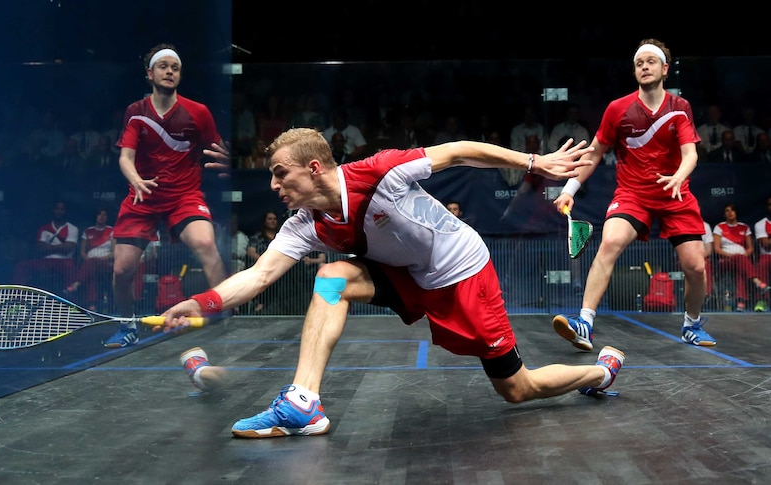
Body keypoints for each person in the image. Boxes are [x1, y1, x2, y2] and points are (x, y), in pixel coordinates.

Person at [160, 127, 625, 440]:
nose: (275, 186)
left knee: (516, 389)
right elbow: (259, 275)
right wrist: (199, 302)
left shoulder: (381, 171)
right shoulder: (304, 224)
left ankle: (601, 370)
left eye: (281, 174)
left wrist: (533, 162)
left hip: (463, 272)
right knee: (331, 277)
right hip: (407, 274)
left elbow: (458, 151)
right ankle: (304, 402)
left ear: (314, 168)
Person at [551, 39, 715, 349]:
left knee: (695, 265)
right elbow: (595, 152)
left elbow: (690, 154)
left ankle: (692, 324)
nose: (644, 67)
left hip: (675, 195)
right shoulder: (618, 109)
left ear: (665, 69)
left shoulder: (680, 108)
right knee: (610, 241)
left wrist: (679, 176)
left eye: (651, 62)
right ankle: (584, 322)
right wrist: (570, 188)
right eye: (640, 63)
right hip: (632, 193)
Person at [104, 43, 230, 348]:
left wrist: (224, 162)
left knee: (205, 242)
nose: (170, 71)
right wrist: (137, 181)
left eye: (175, 67)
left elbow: (217, 148)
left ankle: (228, 315)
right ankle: (127, 325)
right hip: (142, 198)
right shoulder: (136, 112)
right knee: (122, 269)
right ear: (150, 73)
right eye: (163, 66)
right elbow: (125, 158)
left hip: (184, 194)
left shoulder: (198, 112)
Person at [713, 203, 769, 312]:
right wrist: (735, 256)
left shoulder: (744, 227)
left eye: (732, 210)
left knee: (740, 271)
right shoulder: (719, 227)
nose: (730, 213)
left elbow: (750, 249)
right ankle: (757, 281)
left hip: (742, 261)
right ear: (724, 214)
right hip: (725, 261)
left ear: (736, 212)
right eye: (727, 211)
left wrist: (742, 256)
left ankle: (741, 303)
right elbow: (717, 249)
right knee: (740, 260)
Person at [12, 200, 79, 291]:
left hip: (65, 261)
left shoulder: (73, 228)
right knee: (21, 266)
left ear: (66, 211)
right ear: (53, 210)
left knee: (71, 269)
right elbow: (40, 248)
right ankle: (17, 296)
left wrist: (48, 247)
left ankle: (70, 297)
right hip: (46, 260)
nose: (59, 211)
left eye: (62, 209)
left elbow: (67, 248)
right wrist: (60, 246)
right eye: (57, 209)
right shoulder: (44, 228)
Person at [64, 207, 115, 311]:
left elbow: (113, 253)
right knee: (91, 274)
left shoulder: (112, 231)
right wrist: (88, 259)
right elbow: (82, 252)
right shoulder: (87, 231)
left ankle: (76, 283)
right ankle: (92, 306)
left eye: (104, 215)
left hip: (106, 263)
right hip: (90, 264)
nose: (101, 217)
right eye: (99, 214)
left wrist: (99, 259)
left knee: (91, 264)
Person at [754, 195, 771, 312]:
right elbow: (765, 244)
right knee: (762, 263)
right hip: (767, 255)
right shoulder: (760, 224)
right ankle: (762, 300)